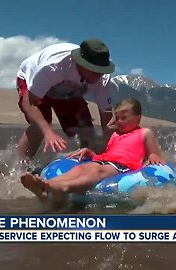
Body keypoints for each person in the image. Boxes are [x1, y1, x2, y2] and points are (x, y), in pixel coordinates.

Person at [20, 97, 165, 203]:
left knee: (97, 172)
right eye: (117, 118)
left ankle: (61, 187)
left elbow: (152, 152)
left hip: (124, 166)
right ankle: (46, 186)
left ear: (138, 118)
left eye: (124, 118)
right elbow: (109, 153)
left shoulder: (145, 132)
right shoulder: (115, 135)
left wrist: (153, 156)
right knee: (82, 168)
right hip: (106, 161)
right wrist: (92, 153)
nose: (119, 121)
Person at [15, 39, 117, 162]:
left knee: (85, 126)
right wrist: (48, 132)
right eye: (93, 70)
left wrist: (112, 150)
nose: (97, 76)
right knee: (41, 125)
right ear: (80, 63)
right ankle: (18, 167)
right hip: (33, 84)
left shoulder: (102, 78)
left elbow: (107, 119)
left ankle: (87, 162)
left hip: (67, 89)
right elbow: (29, 103)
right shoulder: (53, 67)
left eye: (100, 72)